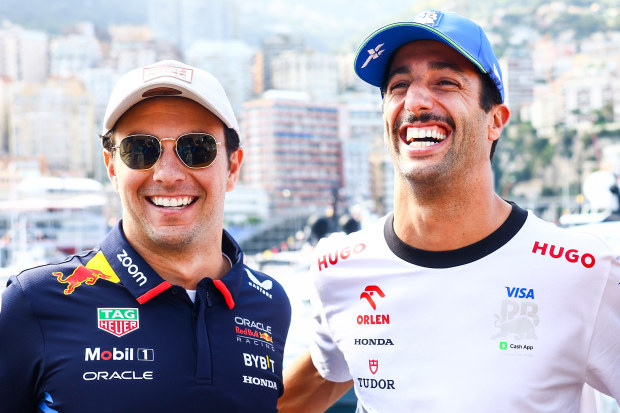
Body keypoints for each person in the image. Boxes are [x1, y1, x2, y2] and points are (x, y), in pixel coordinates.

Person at [277, 10, 620, 413]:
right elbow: (313, 385)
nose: (416, 101)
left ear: (495, 120)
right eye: (398, 85)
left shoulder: (583, 271)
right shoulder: (337, 270)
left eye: (445, 82)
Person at [0, 60, 291, 412]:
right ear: (112, 167)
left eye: (197, 149)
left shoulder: (271, 303)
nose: (168, 174)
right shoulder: (33, 302)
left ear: (232, 167)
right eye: (140, 150)